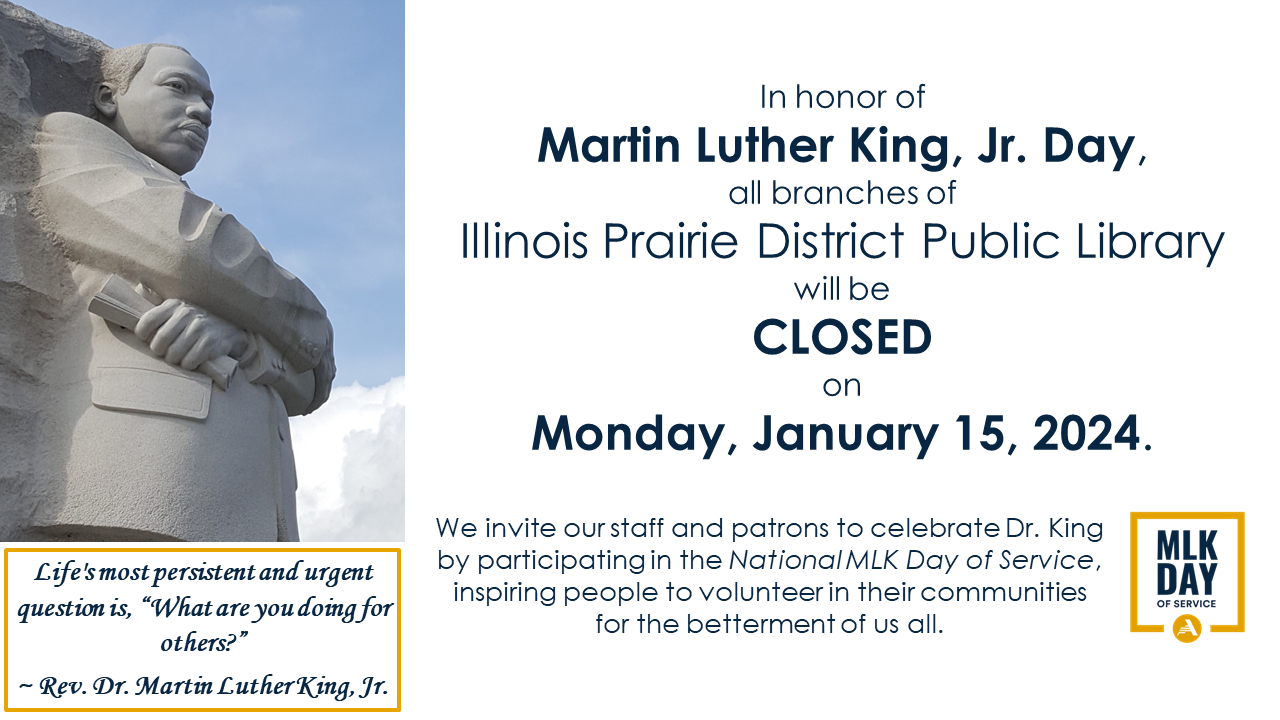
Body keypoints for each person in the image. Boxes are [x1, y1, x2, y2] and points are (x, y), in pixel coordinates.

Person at [25, 43, 334, 541]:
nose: (202, 111)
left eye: (210, 101)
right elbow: (191, 250)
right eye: (178, 87)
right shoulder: (71, 141)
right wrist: (311, 321)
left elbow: (313, 384)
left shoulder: (194, 224)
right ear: (108, 98)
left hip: (255, 515)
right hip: (142, 483)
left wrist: (245, 340)